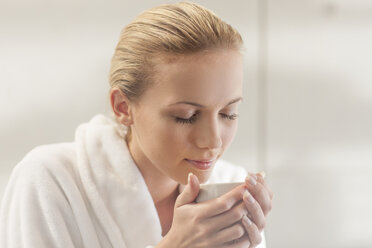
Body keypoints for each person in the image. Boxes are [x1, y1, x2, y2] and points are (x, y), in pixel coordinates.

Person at [0, 2, 273, 248]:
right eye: (187, 116)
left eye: (229, 113)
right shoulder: (51, 181)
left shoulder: (229, 188)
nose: (213, 141)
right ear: (123, 107)